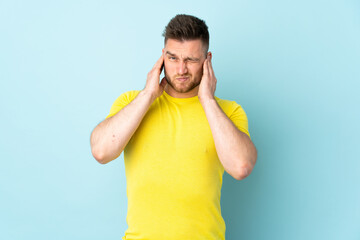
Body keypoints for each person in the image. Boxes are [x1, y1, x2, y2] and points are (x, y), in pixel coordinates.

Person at [90, 14, 257, 240]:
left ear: (207, 60)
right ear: (162, 57)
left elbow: (241, 167)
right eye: (173, 58)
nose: (181, 69)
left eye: (191, 60)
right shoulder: (132, 103)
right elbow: (101, 151)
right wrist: (148, 95)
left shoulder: (228, 112)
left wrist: (207, 100)